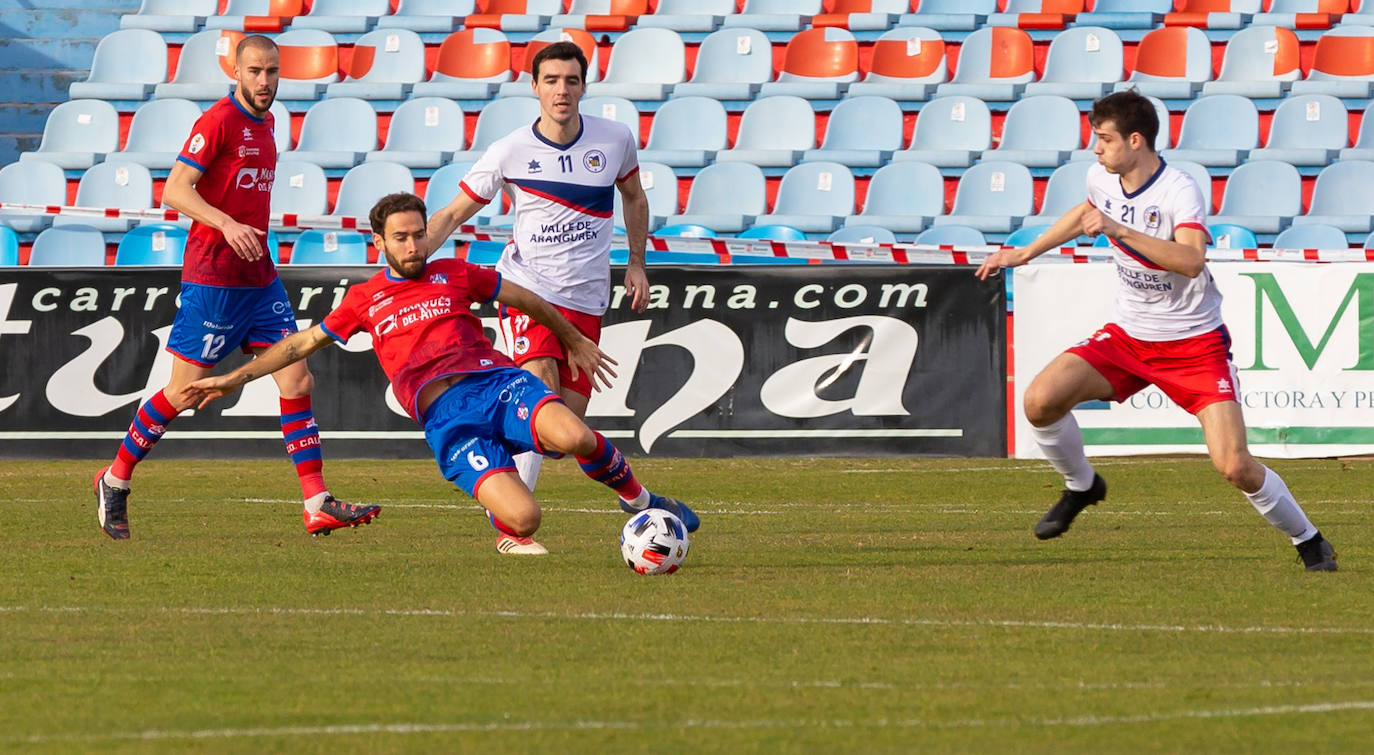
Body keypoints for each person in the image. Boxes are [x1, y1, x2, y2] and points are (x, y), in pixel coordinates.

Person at [179, 193, 698, 555]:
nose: (413, 246)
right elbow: (299, 343)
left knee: (573, 436)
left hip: (496, 384)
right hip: (448, 420)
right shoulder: (364, 299)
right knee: (525, 520)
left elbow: (523, 298)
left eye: (418, 235)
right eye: (400, 238)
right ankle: (506, 525)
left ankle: (645, 503)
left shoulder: (455, 272)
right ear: (378, 242)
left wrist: (573, 338)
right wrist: (233, 379)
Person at [975, 89, 1337, 572]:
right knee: (1040, 400)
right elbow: (1085, 213)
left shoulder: (1178, 190)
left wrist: (1117, 229)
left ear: (1136, 140)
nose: (1096, 149)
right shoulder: (1100, 178)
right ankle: (1083, 486)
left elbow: (1190, 260)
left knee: (1234, 465)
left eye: (1104, 140)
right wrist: (1024, 252)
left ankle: (1309, 540)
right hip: (1128, 336)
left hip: (1194, 345)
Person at [92, 35, 378, 540]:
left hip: (260, 277)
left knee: (297, 382)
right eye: (255, 72)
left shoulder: (268, 123)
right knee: (183, 391)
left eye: (272, 71)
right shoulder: (218, 121)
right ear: (236, 71)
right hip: (214, 279)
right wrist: (226, 224)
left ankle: (316, 502)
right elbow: (175, 189)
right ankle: (114, 480)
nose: (265, 82)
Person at [423, 40, 651, 500]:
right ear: (534, 87)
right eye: (551, 81)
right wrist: (414, 254)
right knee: (541, 390)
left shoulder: (615, 139)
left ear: (584, 86)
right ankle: (512, 523)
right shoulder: (510, 150)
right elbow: (453, 213)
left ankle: (484, 430)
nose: (561, 90)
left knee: (561, 433)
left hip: (586, 297)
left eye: (570, 80)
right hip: (527, 290)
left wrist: (637, 264)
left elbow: (635, 197)